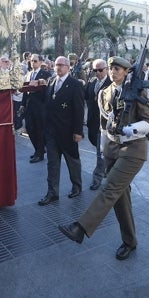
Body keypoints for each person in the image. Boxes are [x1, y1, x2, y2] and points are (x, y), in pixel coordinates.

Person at [58, 56, 149, 260]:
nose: (114, 71)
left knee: (109, 188)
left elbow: (148, 122)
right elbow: (103, 124)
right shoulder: (103, 93)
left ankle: (80, 228)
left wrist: (129, 130)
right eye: (111, 68)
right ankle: (130, 241)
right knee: (120, 197)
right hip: (112, 149)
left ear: (127, 71)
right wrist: (103, 148)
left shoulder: (137, 91)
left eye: (118, 68)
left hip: (133, 150)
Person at [38, 56, 84, 205]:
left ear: (68, 67)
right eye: (56, 65)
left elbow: (79, 110)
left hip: (68, 131)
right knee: (52, 163)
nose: (58, 68)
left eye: (62, 65)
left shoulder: (75, 84)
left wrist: (78, 132)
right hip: (51, 132)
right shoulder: (51, 81)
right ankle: (52, 193)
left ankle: (76, 187)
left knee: (72, 162)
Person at [85, 58, 111, 190]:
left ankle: (97, 177)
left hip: (105, 125)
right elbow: (85, 97)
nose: (98, 73)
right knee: (98, 148)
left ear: (106, 69)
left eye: (100, 70)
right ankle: (105, 169)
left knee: (100, 152)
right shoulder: (91, 82)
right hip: (92, 123)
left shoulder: (111, 84)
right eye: (95, 70)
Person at [21, 54, 50, 163]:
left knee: (40, 129)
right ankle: (38, 150)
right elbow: (25, 90)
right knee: (29, 128)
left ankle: (40, 152)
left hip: (40, 106)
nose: (33, 63)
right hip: (29, 106)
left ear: (41, 62)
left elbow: (47, 90)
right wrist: (23, 104)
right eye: (31, 61)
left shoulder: (46, 74)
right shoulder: (28, 74)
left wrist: (41, 83)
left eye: (35, 61)